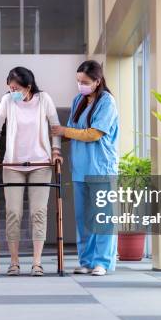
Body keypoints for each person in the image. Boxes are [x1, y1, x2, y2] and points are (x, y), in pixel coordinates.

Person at [0, 67, 63, 276]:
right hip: (13, 164)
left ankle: (37, 263)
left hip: (41, 164)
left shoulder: (44, 99)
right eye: (9, 87)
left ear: (28, 87)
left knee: (38, 213)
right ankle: (14, 262)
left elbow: (55, 127)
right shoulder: (7, 101)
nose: (11, 91)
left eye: (15, 88)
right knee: (13, 213)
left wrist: (56, 151)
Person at [51, 60, 119, 276]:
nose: (80, 85)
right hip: (80, 168)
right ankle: (87, 261)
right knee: (84, 218)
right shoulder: (78, 100)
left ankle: (103, 262)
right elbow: (72, 131)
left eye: (85, 81)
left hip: (101, 167)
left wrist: (63, 131)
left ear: (97, 81)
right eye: (78, 81)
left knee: (102, 217)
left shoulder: (107, 102)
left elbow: (93, 134)